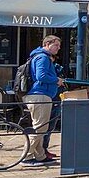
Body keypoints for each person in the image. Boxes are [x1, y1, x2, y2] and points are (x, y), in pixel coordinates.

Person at [22, 35, 64, 166]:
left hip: (41, 95)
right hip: (40, 95)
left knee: (41, 127)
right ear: (47, 44)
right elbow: (41, 76)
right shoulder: (43, 57)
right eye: (56, 45)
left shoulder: (40, 56)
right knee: (40, 128)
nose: (58, 48)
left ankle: (40, 156)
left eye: (59, 45)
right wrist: (56, 80)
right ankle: (26, 157)